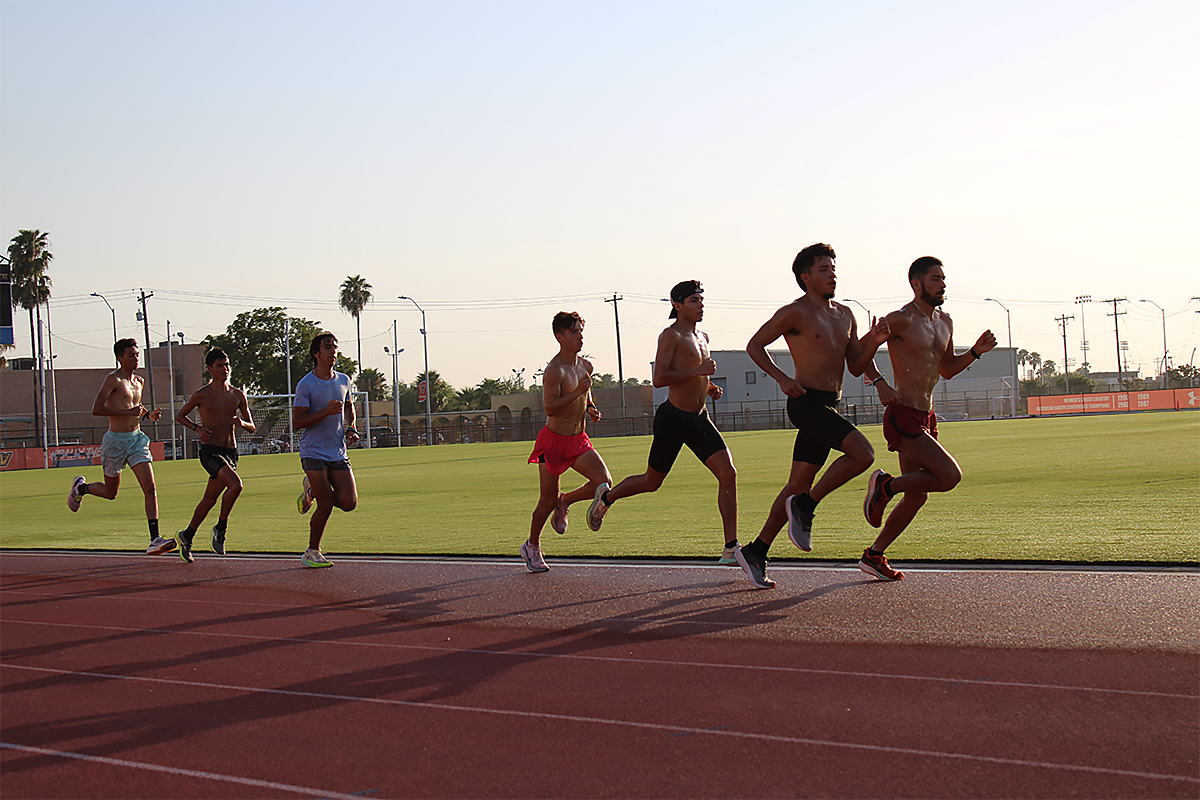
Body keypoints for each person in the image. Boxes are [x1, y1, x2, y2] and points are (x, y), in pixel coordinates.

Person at [736, 244, 895, 589]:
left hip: (830, 403)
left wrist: (876, 340)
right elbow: (754, 345)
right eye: (824, 269)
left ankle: (756, 551)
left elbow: (855, 366)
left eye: (833, 268)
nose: (832, 274)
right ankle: (806, 506)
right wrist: (782, 379)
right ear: (805, 277)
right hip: (805, 403)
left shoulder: (845, 315)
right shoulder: (795, 313)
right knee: (863, 454)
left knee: (795, 485)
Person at [859, 256, 996, 580]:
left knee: (917, 496)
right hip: (902, 413)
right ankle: (885, 485)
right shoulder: (901, 319)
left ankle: (873, 555)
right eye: (935, 279)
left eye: (944, 278)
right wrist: (879, 383)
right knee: (949, 476)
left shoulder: (945, 321)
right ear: (916, 284)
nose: (943, 284)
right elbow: (858, 354)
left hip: (927, 414)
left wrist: (975, 352)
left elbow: (946, 369)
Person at [586, 280, 740, 565]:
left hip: (699, 419)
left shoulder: (703, 336)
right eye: (694, 300)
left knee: (728, 473)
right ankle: (607, 498)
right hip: (673, 419)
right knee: (652, 481)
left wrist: (708, 386)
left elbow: (693, 373)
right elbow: (660, 379)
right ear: (677, 305)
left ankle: (731, 546)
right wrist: (700, 371)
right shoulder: (670, 336)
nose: (700, 305)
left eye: (701, 300)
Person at [67, 338, 175, 555]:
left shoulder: (140, 381)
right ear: (119, 358)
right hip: (115, 442)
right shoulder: (113, 380)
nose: (136, 358)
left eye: (137, 354)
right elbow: (97, 409)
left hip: (136, 440)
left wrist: (148, 415)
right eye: (130, 355)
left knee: (150, 487)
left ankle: (155, 539)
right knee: (110, 493)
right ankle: (81, 488)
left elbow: (136, 407)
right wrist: (127, 413)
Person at [522, 312, 612, 572]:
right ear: (559, 337)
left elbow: (587, 393)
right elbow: (550, 408)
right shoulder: (554, 370)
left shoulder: (585, 366)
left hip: (578, 440)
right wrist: (577, 392)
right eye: (573, 331)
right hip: (553, 442)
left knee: (604, 483)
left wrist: (591, 407)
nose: (580, 336)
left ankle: (567, 501)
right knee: (545, 502)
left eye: (581, 330)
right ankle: (532, 545)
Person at [173, 348, 256, 562]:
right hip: (210, 452)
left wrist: (242, 423)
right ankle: (221, 528)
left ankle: (187, 535)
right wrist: (197, 429)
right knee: (236, 485)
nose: (225, 369)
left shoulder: (238, 395)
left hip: (231, 453)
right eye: (220, 365)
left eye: (227, 365)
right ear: (209, 369)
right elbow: (180, 415)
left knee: (209, 499)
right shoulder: (202, 395)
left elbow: (252, 427)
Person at [292, 333, 359, 568]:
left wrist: (351, 428)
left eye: (335, 347)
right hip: (312, 451)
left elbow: (349, 407)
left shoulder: (343, 380)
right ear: (316, 353)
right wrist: (325, 412)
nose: (333, 351)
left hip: (337, 450)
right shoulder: (306, 384)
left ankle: (310, 489)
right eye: (327, 347)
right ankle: (312, 552)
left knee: (349, 502)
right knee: (327, 502)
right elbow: (297, 421)